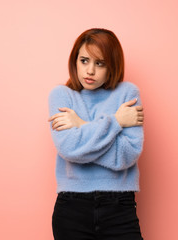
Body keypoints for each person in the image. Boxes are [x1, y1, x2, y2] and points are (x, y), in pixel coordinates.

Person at [48, 28, 144, 240]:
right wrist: (117, 121)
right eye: (84, 60)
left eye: (100, 63)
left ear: (112, 65)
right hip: (72, 207)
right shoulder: (61, 95)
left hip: (120, 207)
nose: (89, 71)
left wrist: (81, 125)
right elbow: (71, 150)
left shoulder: (128, 93)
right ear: (75, 61)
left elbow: (126, 157)